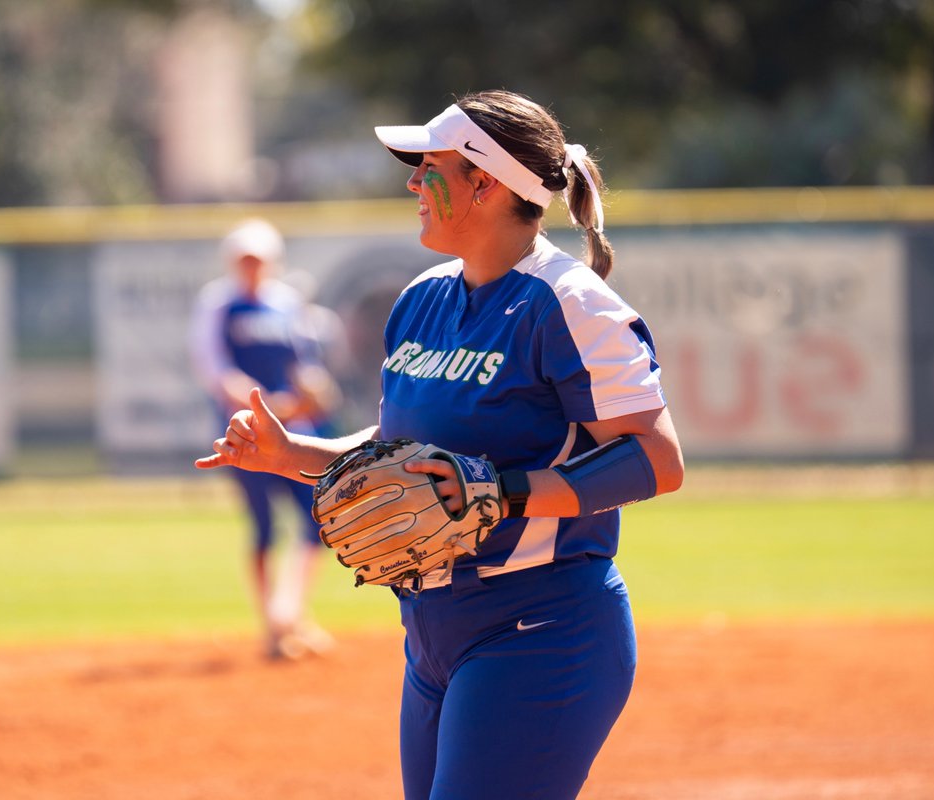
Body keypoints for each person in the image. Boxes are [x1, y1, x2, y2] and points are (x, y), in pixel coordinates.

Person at [195, 91, 684, 798]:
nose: (412, 183)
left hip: (541, 628)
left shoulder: (568, 304)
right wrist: (290, 453)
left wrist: (505, 492)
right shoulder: (422, 298)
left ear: (484, 183)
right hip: (431, 635)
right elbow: (402, 453)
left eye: (430, 167)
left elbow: (657, 460)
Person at [189, 217, 341, 661]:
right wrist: (258, 402)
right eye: (245, 259)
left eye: (259, 259)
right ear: (233, 262)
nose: (252, 267)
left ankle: (289, 613)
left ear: (272, 262)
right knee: (264, 526)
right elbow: (215, 367)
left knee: (318, 519)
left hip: (295, 429)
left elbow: (305, 365)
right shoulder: (219, 304)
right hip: (247, 430)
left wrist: (312, 391)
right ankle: (273, 627)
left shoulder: (286, 303)